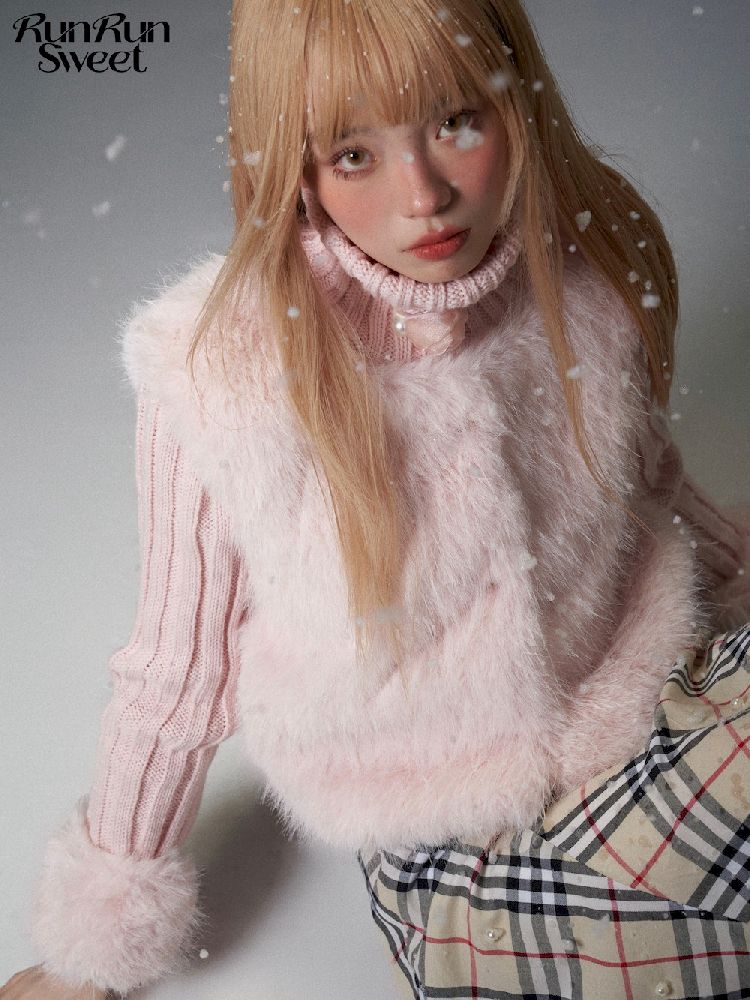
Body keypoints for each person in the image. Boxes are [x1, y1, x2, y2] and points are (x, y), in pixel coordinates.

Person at [4, 0, 750, 997]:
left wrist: (739, 589)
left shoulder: (574, 285)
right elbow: (175, 677)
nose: (424, 196)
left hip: (646, 704)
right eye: (353, 155)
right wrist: (93, 950)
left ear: (518, 106)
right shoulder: (224, 374)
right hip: (464, 840)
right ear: (295, 170)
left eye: (456, 122)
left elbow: (647, 481)